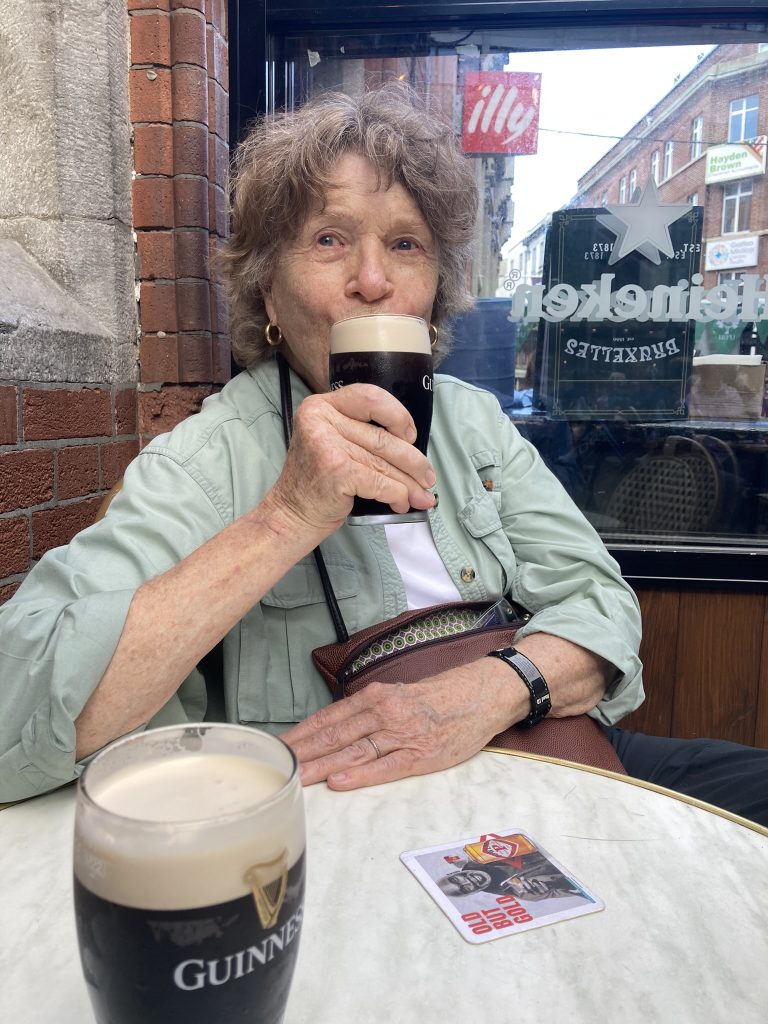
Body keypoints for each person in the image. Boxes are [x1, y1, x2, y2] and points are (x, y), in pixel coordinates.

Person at [0, 85, 764, 827]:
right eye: (330, 240)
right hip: (352, 811)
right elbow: (16, 718)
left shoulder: (474, 422)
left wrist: (495, 690)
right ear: (267, 294)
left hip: (541, 746)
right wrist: (285, 517)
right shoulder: (204, 460)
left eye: (406, 245)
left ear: (434, 293)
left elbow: (603, 605)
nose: (374, 281)